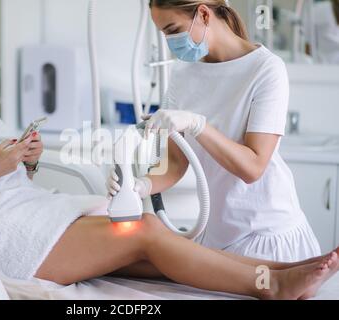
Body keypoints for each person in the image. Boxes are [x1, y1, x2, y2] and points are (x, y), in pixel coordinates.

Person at [0, 19, 339, 300]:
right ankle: (276, 285)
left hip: (34, 215)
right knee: (145, 230)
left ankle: (281, 268)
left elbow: (6, 181)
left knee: (165, 257)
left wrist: (26, 162)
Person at [109, 0, 322, 263]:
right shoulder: (183, 74)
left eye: (173, 29)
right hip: (218, 236)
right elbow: (176, 162)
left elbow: (253, 167)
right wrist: (140, 185)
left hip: (268, 233)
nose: (170, 41)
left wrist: (198, 125)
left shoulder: (266, 69)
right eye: (164, 33)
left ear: (203, 14)